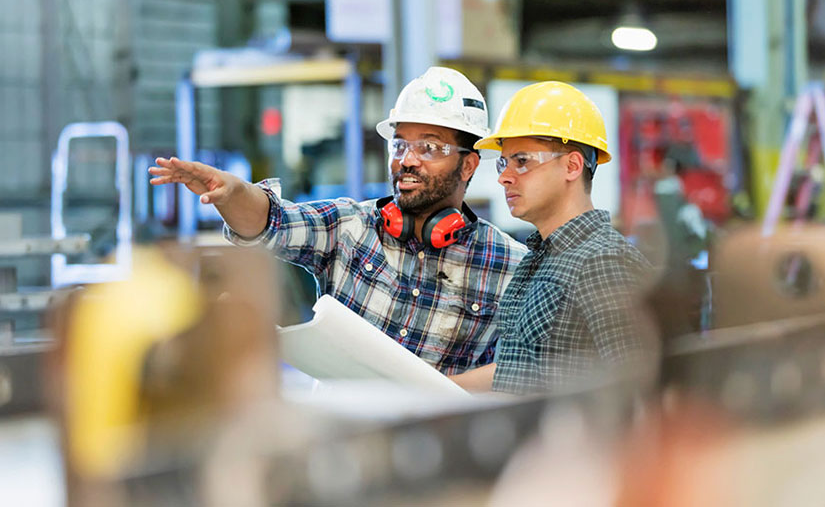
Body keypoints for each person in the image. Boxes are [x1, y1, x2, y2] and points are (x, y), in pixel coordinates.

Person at [149, 67, 526, 375]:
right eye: (400, 145)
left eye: (428, 147)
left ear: (470, 163)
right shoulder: (350, 227)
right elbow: (272, 221)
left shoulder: (509, 266)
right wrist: (231, 193)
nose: (407, 160)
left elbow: (517, 375)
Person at [451, 81, 656, 394]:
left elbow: (643, 388)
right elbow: (515, 371)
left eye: (522, 161)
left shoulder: (603, 263)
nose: (504, 176)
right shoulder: (537, 261)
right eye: (505, 162)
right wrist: (428, 388)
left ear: (572, 166)